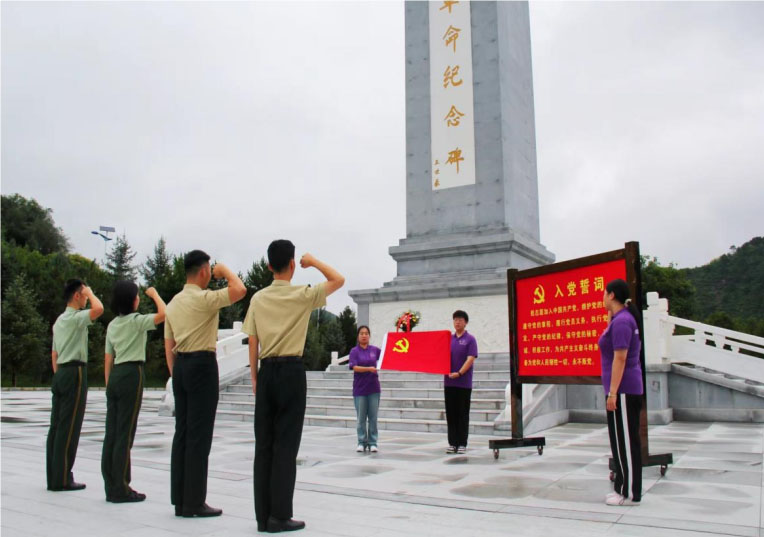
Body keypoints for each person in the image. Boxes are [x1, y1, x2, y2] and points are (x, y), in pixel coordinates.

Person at [243, 240, 344, 533]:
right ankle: (280, 515)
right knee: (285, 446)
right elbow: (338, 280)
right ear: (291, 265)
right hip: (290, 372)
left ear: (267, 265)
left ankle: (263, 516)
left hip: (266, 372)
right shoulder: (302, 294)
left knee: (264, 447)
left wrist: (254, 377)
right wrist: (313, 262)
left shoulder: (258, 299)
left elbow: (252, 339)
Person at [164, 250, 246, 518]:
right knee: (199, 436)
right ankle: (194, 502)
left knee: (182, 433)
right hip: (201, 364)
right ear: (202, 272)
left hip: (181, 367)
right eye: (209, 269)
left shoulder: (173, 303)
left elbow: (169, 345)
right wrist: (226, 272)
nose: (211, 274)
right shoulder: (205, 299)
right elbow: (240, 290)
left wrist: (175, 374)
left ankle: (180, 498)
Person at [101, 282, 166, 503]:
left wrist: (109, 384)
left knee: (112, 431)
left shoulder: (112, 325)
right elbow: (164, 314)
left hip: (116, 374)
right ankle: (121, 487)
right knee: (125, 433)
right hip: (132, 373)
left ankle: (111, 483)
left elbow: (108, 358)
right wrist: (155, 294)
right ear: (133, 301)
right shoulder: (137, 321)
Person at [46, 279, 104, 491]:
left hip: (61, 371)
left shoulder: (59, 321)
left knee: (56, 426)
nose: (87, 297)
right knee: (69, 426)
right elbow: (99, 309)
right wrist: (90, 290)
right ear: (77, 296)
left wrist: (59, 375)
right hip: (75, 371)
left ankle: (53, 475)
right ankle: (62, 478)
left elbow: (54, 354)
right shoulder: (76, 318)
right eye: (84, 294)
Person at [600, 278, 643, 506]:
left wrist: (613, 392)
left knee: (626, 441)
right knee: (619, 441)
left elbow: (620, 357)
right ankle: (622, 487)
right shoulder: (619, 319)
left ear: (612, 295)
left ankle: (628, 492)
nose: (602, 297)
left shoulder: (623, 322)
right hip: (620, 389)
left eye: (605, 293)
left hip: (624, 390)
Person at [444, 310, 478, 454]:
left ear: (465, 322)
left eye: (460, 319)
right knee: (451, 414)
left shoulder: (470, 339)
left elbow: (470, 359)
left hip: (463, 383)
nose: (457, 322)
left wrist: (459, 373)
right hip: (448, 382)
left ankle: (462, 443)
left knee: (462, 414)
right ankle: (452, 443)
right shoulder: (448, 339)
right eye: (455, 319)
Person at [348, 325, 381, 453]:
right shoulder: (354, 351)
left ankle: (373, 442)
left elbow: (387, 354)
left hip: (374, 388)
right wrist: (369, 369)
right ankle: (361, 442)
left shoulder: (374, 350)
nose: (364, 335)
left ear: (369, 335)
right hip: (360, 389)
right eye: (361, 333)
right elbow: (354, 367)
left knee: (373, 417)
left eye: (366, 333)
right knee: (361, 418)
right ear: (358, 336)